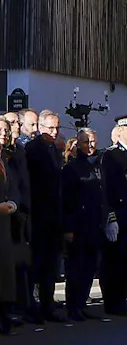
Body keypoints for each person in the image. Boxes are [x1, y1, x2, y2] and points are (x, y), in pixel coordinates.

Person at [100, 113, 127, 317]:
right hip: (119, 216)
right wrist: (111, 217)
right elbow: (107, 188)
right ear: (119, 131)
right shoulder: (110, 156)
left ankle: (123, 299)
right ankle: (113, 301)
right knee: (115, 262)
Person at [61, 129, 105, 321]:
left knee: (89, 267)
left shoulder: (98, 165)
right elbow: (66, 200)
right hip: (79, 225)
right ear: (78, 144)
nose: (91, 146)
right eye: (86, 142)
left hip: (95, 224)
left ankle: (82, 303)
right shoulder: (72, 168)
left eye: (93, 141)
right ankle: (73, 305)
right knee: (76, 267)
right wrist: (68, 228)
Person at [24, 110, 64, 321]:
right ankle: (32, 307)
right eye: (50, 128)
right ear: (40, 127)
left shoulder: (54, 149)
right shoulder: (33, 148)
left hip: (53, 216)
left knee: (50, 265)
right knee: (36, 264)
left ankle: (47, 306)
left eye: (57, 128)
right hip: (38, 215)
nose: (54, 132)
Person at [0, 119, 21, 334]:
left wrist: (13, 203)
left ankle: (4, 314)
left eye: (6, 130)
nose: (4, 134)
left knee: (5, 271)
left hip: (4, 222)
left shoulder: (5, 158)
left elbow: (14, 187)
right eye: (0, 130)